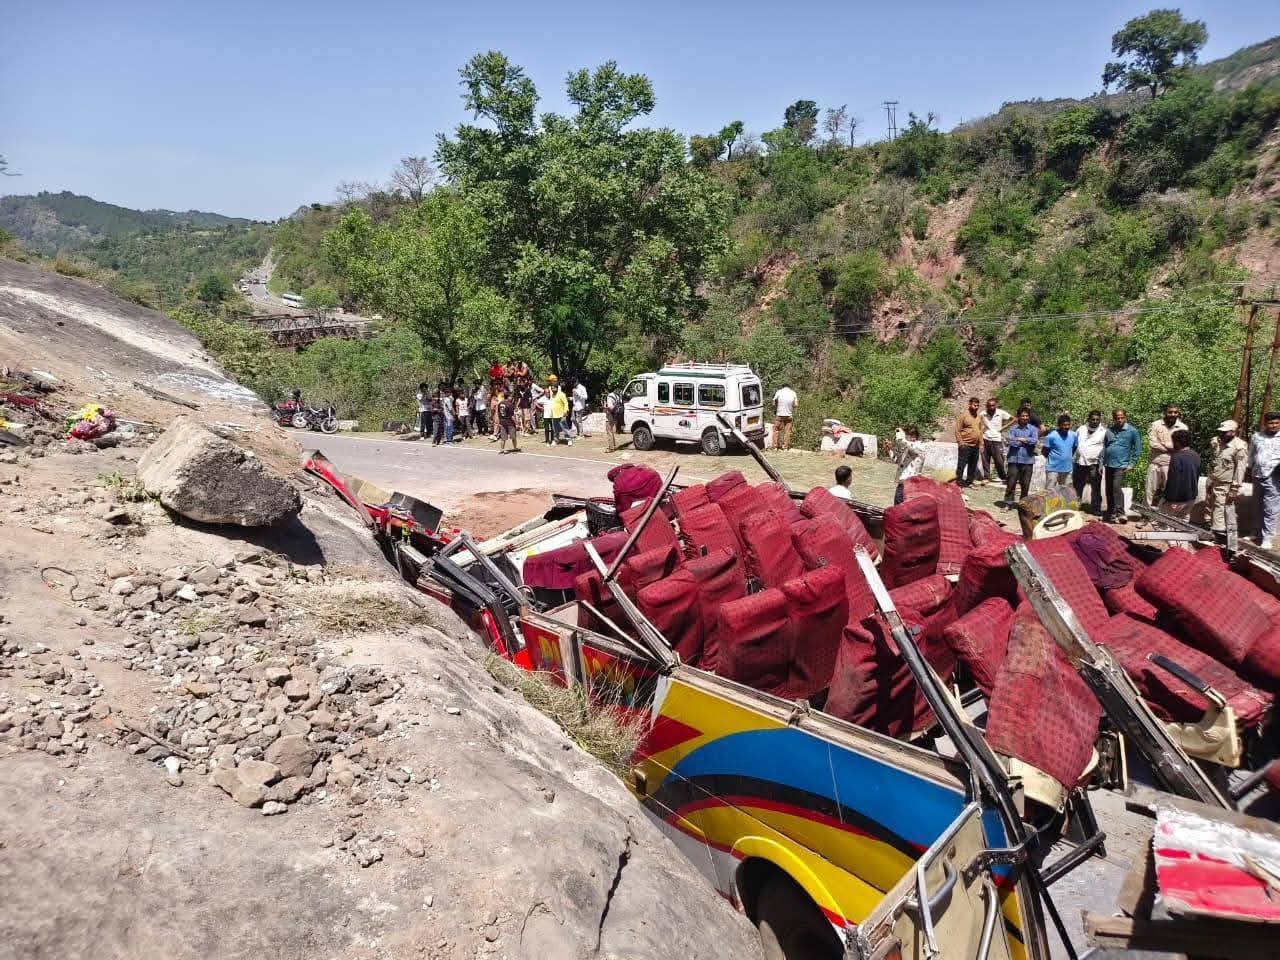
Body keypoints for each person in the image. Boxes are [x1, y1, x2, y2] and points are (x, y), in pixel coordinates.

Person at [1206, 419, 1247, 541]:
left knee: (1220, 508)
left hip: (1225, 484)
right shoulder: (1216, 441)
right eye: (1221, 431)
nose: (1222, 434)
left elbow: (1240, 469)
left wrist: (1234, 488)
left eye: (1226, 432)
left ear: (1233, 432)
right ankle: (1213, 530)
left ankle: (1219, 536)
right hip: (1213, 480)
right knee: (1210, 507)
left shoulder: (1239, 447)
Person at [1102, 408, 1142, 524]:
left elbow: (1138, 449)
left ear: (1125, 417)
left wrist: (1132, 463)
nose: (1119, 420)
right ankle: (1111, 512)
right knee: (1109, 489)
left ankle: (1121, 513)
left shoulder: (1132, 431)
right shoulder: (1109, 430)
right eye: (1117, 418)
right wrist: (1101, 463)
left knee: (1116, 487)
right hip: (1108, 464)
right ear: (1114, 419)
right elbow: (1105, 447)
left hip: (1121, 464)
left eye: (1121, 418)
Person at [1146, 403, 1188, 505]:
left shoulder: (1183, 427)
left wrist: (1164, 444)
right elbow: (1153, 443)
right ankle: (1146, 516)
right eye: (1170, 412)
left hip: (1172, 465)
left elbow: (1183, 447)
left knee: (1170, 492)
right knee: (1149, 491)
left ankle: (1164, 517)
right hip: (1155, 462)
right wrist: (1170, 448)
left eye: (1175, 412)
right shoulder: (1155, 425)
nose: (1173, 414)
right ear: (1165, 413)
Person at [1250, 411, 1280, 549]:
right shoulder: (1257, 437)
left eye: (1276, 423)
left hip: (1274, 478)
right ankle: (1256, 533)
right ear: (1265, 424)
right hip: (1257, 475)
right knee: (1257, 506)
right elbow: (1252, 454)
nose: (1273, 425)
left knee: (1270, 509)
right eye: (1271, 423)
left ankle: (1267, 538)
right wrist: (1250, 468)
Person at [1161, 430, 1200, 526]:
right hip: (1191, 497)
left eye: (1173, 441)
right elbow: (1196, 476)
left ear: (1177, 442)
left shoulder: (1177, 457)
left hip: (1177, 499)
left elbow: (1174, 479)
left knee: (1165, 524)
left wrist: (1171, 499)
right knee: (1183, 525)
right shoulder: (1195, 455)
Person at [1002, 408, 1039, 507]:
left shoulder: (1033, 429)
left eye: (1026, 416)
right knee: (1011, 483)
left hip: (1028, 460)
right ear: (1019, 416)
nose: (1025, 418)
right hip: (1014, 459)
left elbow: (1034, 441)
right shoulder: (1013, 429)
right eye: (1023, 416)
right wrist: (1026, 441)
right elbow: (1010, 441)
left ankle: (1022, 505)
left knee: (1025, 484)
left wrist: (1022, 439)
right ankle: (1008, 503)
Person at [1073, 410, 1106, 514]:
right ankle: (1075, 506)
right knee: (1078, 485)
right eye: (1093, 419)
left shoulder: (1104, 432)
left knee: (1095, 487)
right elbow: (1074, 444)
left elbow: (1105, 449)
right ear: (1089, 419)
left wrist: (1101, 464)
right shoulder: (1081, 429)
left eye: (1097, 419)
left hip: (1094, 464)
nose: (1095, 421)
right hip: (1079, 462)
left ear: (1100, 420)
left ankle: (1095, 508)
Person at [888, 425, 925, 505]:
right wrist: (889, 449)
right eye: (909, 436)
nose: (912, 439)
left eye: (913, 436)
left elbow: (910, 448)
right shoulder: (906, 447)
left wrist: (900, 438)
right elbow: (897, 460)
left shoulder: (920, 446)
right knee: (897, 507)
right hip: (902, 482)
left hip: (911, 482)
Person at [979, 397, 1011, 485]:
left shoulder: (1000, 413)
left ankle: (1003, 477)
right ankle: (987, 477)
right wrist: (980, 441)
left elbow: (1014, 419)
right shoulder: (983, 414)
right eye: (989, 406)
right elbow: (980, 426)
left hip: (997, 439)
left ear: (995, 405)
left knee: (999, 460)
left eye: (993, 405)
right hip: (985, 438)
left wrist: (1003, 428)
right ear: (986, 406)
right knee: (985, 460)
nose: (991, 407)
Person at [1042, 414, 1078, 487]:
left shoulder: (1073, 435)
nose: (1067, 427)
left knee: (1066, 492)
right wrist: (1055, 459)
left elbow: (1074, 447)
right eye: (1064, 425)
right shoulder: (1051, 436)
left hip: (1067, 468)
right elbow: (1044, 451)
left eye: (1068, 425)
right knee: (1050, 492)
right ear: (1059, 425)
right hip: (1053, 469)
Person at [953, 396, 983, 486]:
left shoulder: (978, 417)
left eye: (978, 405)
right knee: (962, 464)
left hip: (975, 446)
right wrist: (960, 442)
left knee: (973, 465)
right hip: (965, 444)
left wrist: (981, 443)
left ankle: (969, 481)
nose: (976, 407)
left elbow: (980, 431)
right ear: (969, 404)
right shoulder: (964, 416)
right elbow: (957, 430)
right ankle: (958, 481)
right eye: (974, 405)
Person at [772, 383, 797, 451]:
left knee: (776, 430)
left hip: (779, 414)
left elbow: (774, 401)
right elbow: (796, 405)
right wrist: (791, 409)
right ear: (789, 387)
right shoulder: (793, 393)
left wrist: (775, 408)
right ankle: (785, 448)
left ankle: (775, 447)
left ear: (782, 387)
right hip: (789, 415)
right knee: (787, 431)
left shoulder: (779, 392)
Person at [497, 389, 520, 454]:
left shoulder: (500, 403)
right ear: (508, 397)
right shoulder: (510, 404)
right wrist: (517, 424)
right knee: (513, 437)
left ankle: (502, 449)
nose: (512, 397)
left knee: (503, 437)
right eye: (511, 396)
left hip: (503, 422)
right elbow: (512, 416)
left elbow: (498, 413)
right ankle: (515, 448)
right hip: (509, 423)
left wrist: (499, 422)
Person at [551, 380, 571, 445]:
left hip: (561, 414)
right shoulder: (552, 395)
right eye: (552, 388)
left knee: (565, 428)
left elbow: (566, 403)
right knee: (555, 429)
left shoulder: (561, 394)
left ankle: (568, 439)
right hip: (554, 415)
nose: (553, 389)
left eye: (554, 388)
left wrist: (565, 411)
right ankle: (556, 440)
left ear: (557, 388)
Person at [603, 386, 620, 452]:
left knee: (609, 431)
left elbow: (611, 408)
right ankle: (613, 445)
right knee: (611, 431)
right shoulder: (616, 396)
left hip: (610, 416)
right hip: (616, 415)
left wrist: (605, 407)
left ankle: (611, 448)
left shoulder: (609, 396)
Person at [541, 380, 556, 445]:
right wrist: (540, 408)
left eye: (548, 392)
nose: (548, 393)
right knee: (546, 429)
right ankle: (547, 441)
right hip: (546, 416)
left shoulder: (552, 397)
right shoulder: (543, 398)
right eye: (546, 392)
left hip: (552, 415)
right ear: (544, 393)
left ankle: (552, 440)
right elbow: (536, 401)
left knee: (553, 429)